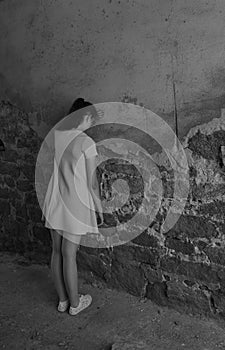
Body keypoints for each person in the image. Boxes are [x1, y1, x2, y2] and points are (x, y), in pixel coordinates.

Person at [42, 98, 103, 315]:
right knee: (70, 254)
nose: (91, 124)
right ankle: (76, 304)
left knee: (56, 252)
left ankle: (62, 301)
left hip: (55, 199)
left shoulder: (58, 137)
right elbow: (92, 183)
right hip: (75, 203)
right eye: (91, 119)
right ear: (85, 116)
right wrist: (99, 207)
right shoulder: (86, 143)